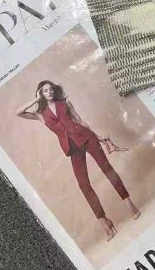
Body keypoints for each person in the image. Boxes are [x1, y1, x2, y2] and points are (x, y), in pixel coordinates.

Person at [16, 80, 140, 241]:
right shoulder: (41, 115)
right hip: (72, 149)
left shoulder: (65, 103)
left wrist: (99, 138)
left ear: (54, 90)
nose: (49, 92)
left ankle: (129, 202)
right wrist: (36, 99)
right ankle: (104, 220)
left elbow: (80, 121)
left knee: (107, 169)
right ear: (41, 93)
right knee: (84, 185)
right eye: (45, 91)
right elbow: (19, 112)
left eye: (51, 89)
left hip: (87, 138)